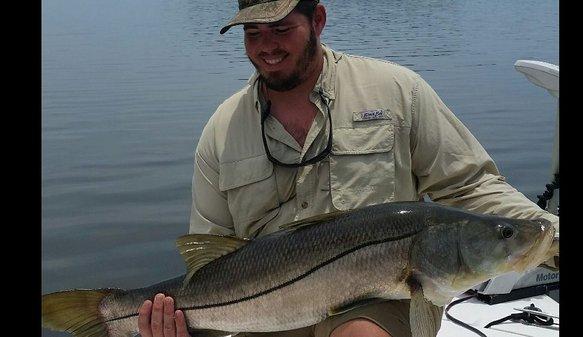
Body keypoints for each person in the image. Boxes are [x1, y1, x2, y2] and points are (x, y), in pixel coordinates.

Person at [137, 1, 560, 336]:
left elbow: (471, 185)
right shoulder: (221, 130)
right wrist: (174, 322)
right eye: (253, 33)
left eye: (282, 29)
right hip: (257, 309)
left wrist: (550, 236)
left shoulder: (397, 92)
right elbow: (208, 253)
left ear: (317, 20)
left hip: (375, 300)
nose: (267, 46)